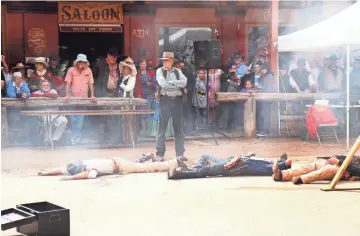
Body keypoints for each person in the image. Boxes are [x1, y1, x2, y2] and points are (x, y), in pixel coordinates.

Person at [38, 153, 187, 181]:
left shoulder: (89, 169)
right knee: (138, 164)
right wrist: (45, 173)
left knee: (146, 168)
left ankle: (174, 162)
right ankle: (148, 155)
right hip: (115, 162)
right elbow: (61, 169)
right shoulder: (83, 163)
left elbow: (87, 175)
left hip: (120, 166)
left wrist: (71, 178)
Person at [155, 52, 187, 161]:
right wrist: (176, 84)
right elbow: (163, 84)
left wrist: (171, 83)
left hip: (177, 101)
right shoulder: (159, 71)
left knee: (179, 128)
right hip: (165, 100)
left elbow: (184, 82)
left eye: (167, 60)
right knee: (162, 128)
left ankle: (180, 154)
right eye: (164, 60)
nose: (165, 62)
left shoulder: (178, 71)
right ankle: (159, 154)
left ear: (172, 61)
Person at [168, 153, 292, 179]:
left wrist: (233, 162)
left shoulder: (269, 167)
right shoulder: (267, 161)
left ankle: (179, 174)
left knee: (205, 170)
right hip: (229, 160)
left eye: (282, 160)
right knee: (205, 157)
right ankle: (190, 170)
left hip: (231, 166)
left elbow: (277, 168)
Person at [64, 54, 96, 145]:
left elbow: (91, 84)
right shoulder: (71, 70)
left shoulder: (88, 70)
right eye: (81, 62)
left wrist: (92, 95)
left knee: (80, 120)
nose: (83, 64)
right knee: (73, 119)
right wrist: (66, 95)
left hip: (83, 99)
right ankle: (74, 137)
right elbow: (68, 83)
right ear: (77, 63)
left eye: (84, 62)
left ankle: (76, 137)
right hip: (72, 98)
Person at [273, 155, 360, 185]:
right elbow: (349, 157)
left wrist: (339, 162)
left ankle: (301, 179)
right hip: (338, 163)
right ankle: (282, 175)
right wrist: (335, 158)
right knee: (311, 166)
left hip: (344, 170)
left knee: (327, 170)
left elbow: (356, 170)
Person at [30, 80, 68, 145]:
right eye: (44, 85)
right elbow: (32, 94)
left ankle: (54, 139)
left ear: (50, 86)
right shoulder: (37, 92)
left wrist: (43, 95)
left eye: (47, 85)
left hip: (55, 114)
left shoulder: (53, 91)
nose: (46, 86)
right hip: (43, 114)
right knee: (47, 122)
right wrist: (45, 95)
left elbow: (54, 96)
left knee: (64, 120)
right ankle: (47, 140)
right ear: (40, 87)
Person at [135, 59, 155, 136]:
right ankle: (143, 129)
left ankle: (147, 130)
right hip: (141, 95)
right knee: (141, 112)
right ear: (139, 65)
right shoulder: (136, 74)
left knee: (148, 112)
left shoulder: (151, 73)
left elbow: (156, 84)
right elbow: (136, 85)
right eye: (141, 64)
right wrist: (138, 94)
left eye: (144, 64)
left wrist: (151, 84)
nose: (143, 65)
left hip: (149, 95)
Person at [257, 63, 276, 137]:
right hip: (263, 97)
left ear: (266, 69)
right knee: (263, 114)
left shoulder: (270, 76)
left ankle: (265, 131)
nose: (262, 70)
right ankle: (265, 130)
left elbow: (270, 89)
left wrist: (261, 88)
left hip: (267, 98)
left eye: (263, 69)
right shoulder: (264, 76)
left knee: (265, 115)